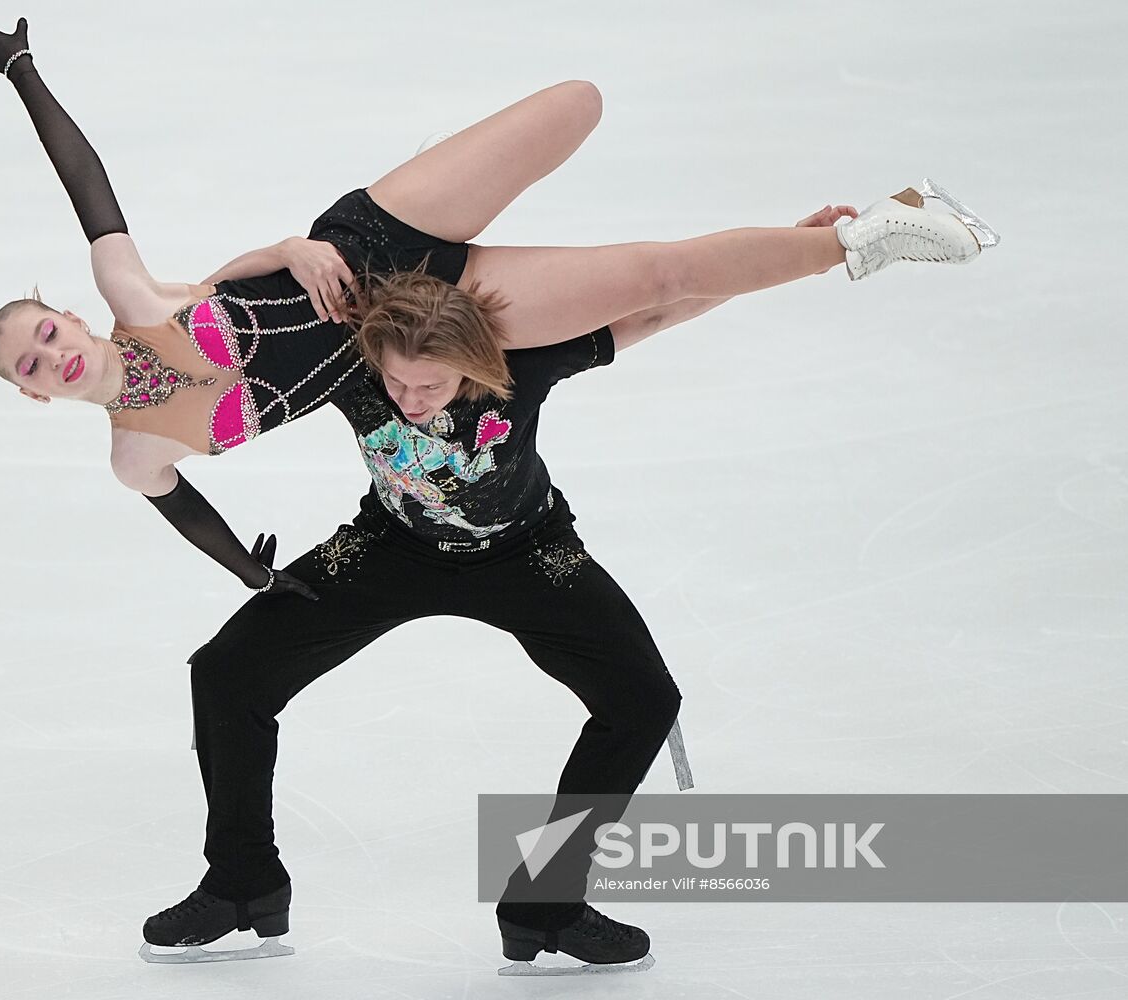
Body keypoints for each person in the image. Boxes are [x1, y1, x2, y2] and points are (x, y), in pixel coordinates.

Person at [0, 17, 1000, 601]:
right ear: (35, 396)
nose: (49, 354)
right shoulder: (135, 455)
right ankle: (861, 238)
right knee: (653, 278)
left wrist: (22, 73)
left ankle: (809, 243)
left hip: (371, 237)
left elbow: (82, 177)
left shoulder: (133, 297)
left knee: (576, 103)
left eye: (42, 332)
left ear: (70, 319)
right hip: (418, 322)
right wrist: (250, 576)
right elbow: (186, 511)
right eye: (28, 368)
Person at [138, 205, 867, 973]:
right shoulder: (346, 363)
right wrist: (291, 247)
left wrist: (800, 248)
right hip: (388, 546)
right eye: (397, 383)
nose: (410, 401)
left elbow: (660, 306)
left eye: (429, 385)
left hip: (528, 554)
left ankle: (545, 903)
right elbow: (208, 304)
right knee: (226, 672)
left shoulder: (528, 360)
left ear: (471, 361)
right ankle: (242, 882)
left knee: (642, 700)